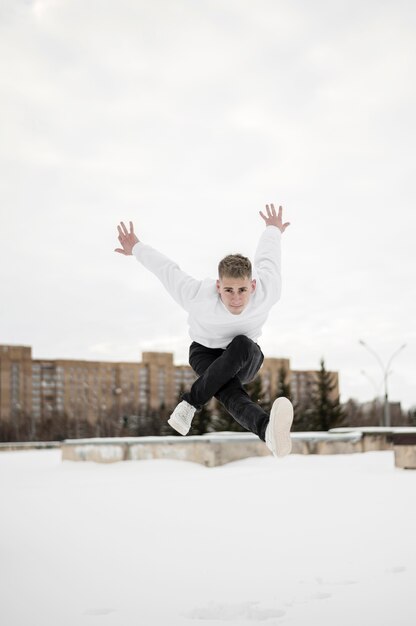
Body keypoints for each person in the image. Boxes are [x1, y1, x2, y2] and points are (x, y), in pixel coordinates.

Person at [115, 203, 293, 457]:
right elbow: (167, 271)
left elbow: (268, 258)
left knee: (242, 343)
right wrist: (136, 248)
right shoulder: (197, 295)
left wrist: (272, 229)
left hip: (246, 358)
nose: (235, 298)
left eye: (242, 290)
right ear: (218, 286)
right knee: (230, 394)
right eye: (228, 290)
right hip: (205, 354)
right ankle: (267, 432)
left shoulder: (268, 290)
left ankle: (190, 403)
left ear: (252, 286)